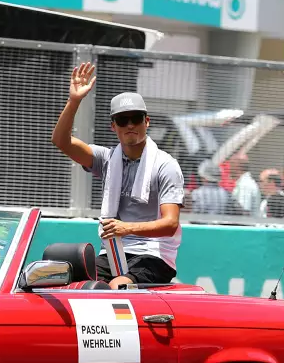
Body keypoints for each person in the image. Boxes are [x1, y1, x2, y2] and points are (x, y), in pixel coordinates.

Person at [51, 62, 185, 289]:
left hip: (154, 255)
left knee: (117, 287)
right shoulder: (107, 159)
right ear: (114, 126)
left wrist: (127, 228)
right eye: (123, 120)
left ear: (147, 121)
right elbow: (61, 142)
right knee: (60, 280)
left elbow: (170, 224)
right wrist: (74, 101)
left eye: (136, 118)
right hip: (114, 252)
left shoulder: (166, 165)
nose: (130, 125)